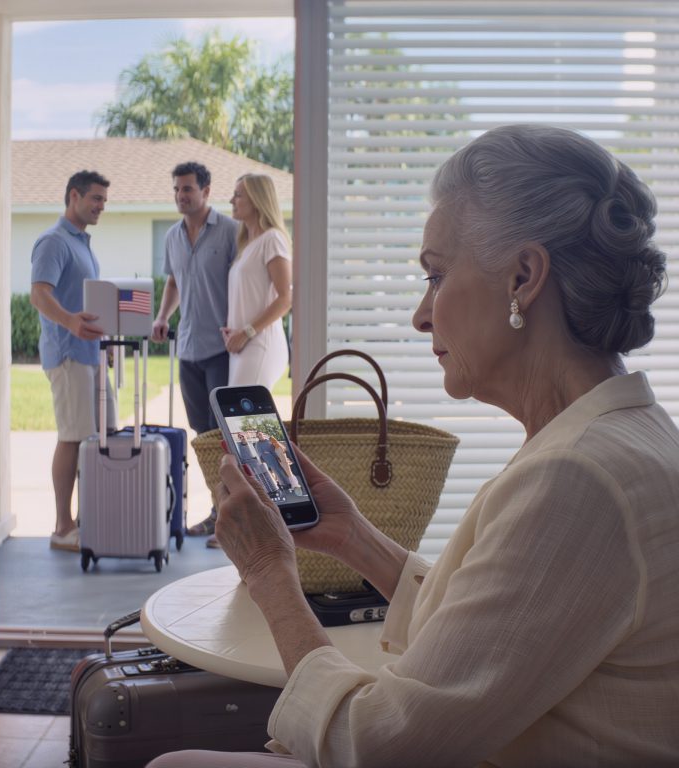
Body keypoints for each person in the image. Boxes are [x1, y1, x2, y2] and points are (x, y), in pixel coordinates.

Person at [146, 124, 679, 767]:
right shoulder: (620, 436)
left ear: (523, 277)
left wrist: (269, 577)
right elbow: (497, 630)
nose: (421, 315)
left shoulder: (579, 479)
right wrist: (354, 538)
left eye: (435, 276)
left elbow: (377, 743)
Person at [30, 170, 117, 552]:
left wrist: (107, 341)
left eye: (104, 201)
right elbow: (38, 294)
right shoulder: (54, 242)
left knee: (102, 437)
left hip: (91, 355)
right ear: (74, 196)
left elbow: (90, 302)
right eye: (95, 199)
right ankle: (63, 527)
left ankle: (88, 520)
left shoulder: (82, 244)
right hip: (68, 356)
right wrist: (69, 322)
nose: (100, 206)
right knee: (72, 437)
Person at [151, 161, 238, 542]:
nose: (180, 196)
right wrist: (161, 317)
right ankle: (217, 510)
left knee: (224, 435)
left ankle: (232, 514)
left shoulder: (231, 231)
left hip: (222, 349)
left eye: (187, 189)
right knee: (202, 434)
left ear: (206, 190)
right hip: (187, 348)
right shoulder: (172, 236)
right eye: (176, 189)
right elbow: (173, 282)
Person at [222, 174, 292, 389]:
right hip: (242, 346)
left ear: (256, 200)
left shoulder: (272, 239)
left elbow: (285, 298)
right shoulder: (248, 245)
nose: (231, 201)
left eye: (238, 195)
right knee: (247, 420)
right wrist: (234, 330)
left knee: (246, 419)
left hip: (260, 344)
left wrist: (246, 332)